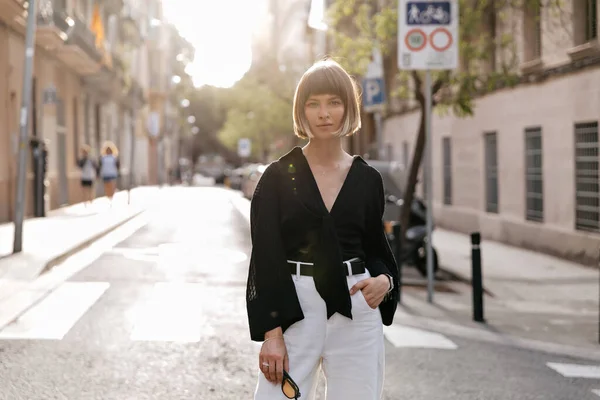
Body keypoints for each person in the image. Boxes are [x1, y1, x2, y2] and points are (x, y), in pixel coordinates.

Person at [246, 59, 399, 400]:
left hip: (356, 310)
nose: (323, 113)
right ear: (301, 112)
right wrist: (272, 334)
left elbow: (378, 250)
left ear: (348, 108)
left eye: (334, 102)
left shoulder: (367, 179)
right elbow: (266, 258)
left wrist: (385, 281)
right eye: (313, 104)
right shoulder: (277, 177)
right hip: (294, 307)